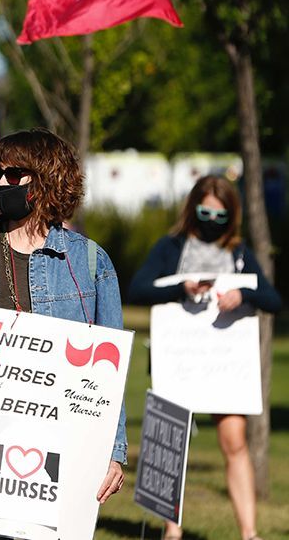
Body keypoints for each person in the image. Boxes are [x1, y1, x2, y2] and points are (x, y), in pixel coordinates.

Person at [0, 128, 127, 540]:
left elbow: (109, 377)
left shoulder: (90, 262)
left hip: (61, 448)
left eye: (17, 175)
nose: (1, 183)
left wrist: (113, 453)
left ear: (48, 179)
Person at [129, 175, 281, 540]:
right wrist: (181, 288)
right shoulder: (170, 247)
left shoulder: (241, 254)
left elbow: (272, 299)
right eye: (205, 212)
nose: (212, 222)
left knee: (235, 442)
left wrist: (242, 297)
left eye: (220, 215)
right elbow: (137, 288)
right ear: (192, 209)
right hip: (180, 359)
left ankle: (249, 532)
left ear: (232, 215)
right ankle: (172, 530)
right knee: (171, 440)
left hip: (224, 365)